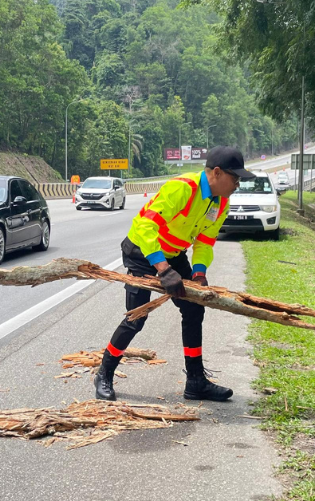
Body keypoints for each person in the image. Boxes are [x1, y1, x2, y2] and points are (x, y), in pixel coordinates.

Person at [93, 146, 255, 402]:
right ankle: (104, 373)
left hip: (173, 254)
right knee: (137, 317)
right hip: (142, 251)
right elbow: (146, 226)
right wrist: (163, 269)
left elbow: (205, 241)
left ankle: (195, 382)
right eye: (235, 178)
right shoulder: (182, 188)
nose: (237, 184)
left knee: (194, 308)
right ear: (216, 173)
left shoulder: (221, 202)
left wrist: (199, 273)